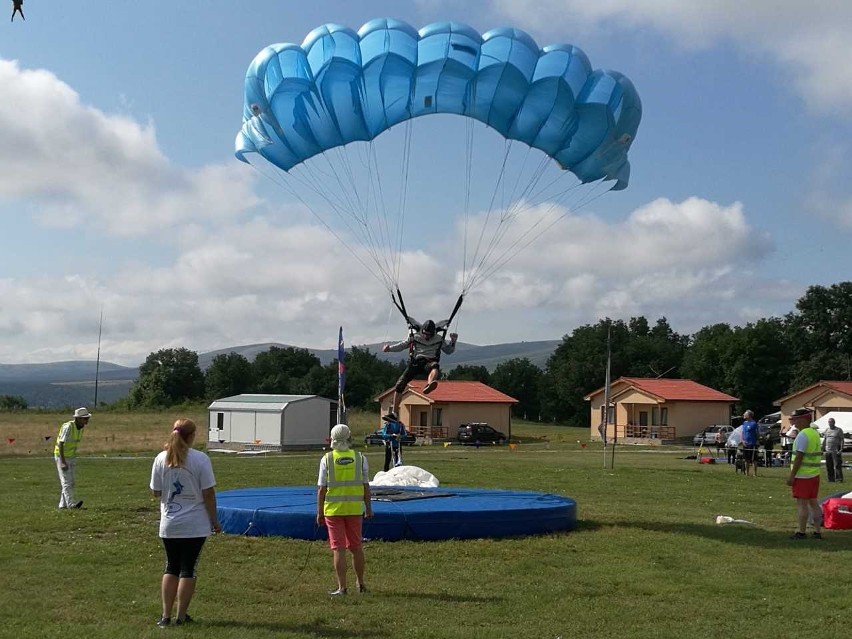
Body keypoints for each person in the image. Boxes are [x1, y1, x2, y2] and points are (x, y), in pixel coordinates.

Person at [150, 418, 221, 627]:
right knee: (188, 568)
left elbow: (156, 492)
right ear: (191, 436)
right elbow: (208, 492)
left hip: (170, 522)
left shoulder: (161, 458)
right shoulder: (200, 459)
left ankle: (165, 616)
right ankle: (181, 616)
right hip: (194, 523)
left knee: (171, 566)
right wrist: (214, 520)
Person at [316, 424, 372, 596]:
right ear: (349, 437)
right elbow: (365, 486)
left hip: (334, 510)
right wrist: (368, 508)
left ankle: (342, 587)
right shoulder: (360, 458)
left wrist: (320, 512)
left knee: (338, 548)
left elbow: (322, 489)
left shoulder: (327, 459)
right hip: (355, 509)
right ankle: (360, 584)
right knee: (356, 547)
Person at [383, 319, 458, 416]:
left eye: (429, 335)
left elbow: (448, 351)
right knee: (399, 385)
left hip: (429, 361)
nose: (427, 336)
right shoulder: (415, 337)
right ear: (422, 331)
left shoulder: (439, 339)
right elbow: (402, 345)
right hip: (416, 362)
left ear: (433, 333)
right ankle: (394, 413)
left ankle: (430, 384)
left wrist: (453, 341)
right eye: (425, 334)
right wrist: (389, 349)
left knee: (435, 366)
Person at [785, 408, 823, 540]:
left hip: (802, 475)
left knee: (802, 504)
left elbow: (799, 457)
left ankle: (801, 532)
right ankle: (817, 532)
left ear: (804, 419)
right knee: (814, 503)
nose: (794, 422)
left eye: (795, 419)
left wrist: (792, 476)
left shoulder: (802, 435)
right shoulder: (814, 433)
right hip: (814, 474)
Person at [54, 407, 90, 509]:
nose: (87, 420)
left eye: (87, 418)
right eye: (85, 418)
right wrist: (62, 461)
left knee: (71, 481)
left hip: (71, 456)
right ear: (78, 419)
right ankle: (71, 505)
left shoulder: (81, 428)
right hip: (62, 456)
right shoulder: (68, 427)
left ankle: (62, 505)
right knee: (66, 481)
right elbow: (61, 443)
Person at [822, 417, 844, 483]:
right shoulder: (827, 430)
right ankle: (831, 479)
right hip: (828, 450)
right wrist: (822, 448)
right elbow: (825, 439)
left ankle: (839, 479)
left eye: (831, 422)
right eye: (829, 422)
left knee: (837, 465)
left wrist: (841, 449)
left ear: (834, 422)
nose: (830, 423)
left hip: (836, 450)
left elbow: (842, 440)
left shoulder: (838, 430)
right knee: (829, 465)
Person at [741, 410, 759, 476]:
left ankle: (755, 473)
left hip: (752, 443)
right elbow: (743, 432)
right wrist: (742, 440)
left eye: (745, 414)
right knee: (746, 459)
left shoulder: (754, 423)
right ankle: (747, 473)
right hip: (745, 444)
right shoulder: (744, 423)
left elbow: (757, 433)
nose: (743, 415)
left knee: (754, 459)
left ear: (749, 415)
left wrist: (757, 441)